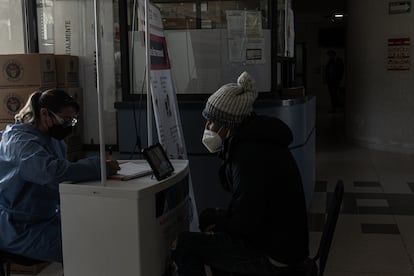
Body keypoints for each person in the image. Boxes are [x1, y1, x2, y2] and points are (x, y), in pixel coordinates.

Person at [171, 72, 310, 275]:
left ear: (228, 124)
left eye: (211, 122)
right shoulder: (257, 141)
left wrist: (217, 219)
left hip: (275, 258)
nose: (207, 128)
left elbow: (244, 224)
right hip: (284, 246)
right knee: (214, 233)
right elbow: (249, 210)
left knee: (184, 244)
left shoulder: (249, 156)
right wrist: (219, 219)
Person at [0, 89, 120, 263]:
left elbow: (64, 175)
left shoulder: (52, 139)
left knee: (99, 230)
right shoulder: (19, 141)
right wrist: (99, 167)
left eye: (73, 120)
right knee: (88, 247)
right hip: (19, 225)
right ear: (44, 114)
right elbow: (51, 173)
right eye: (66, 120)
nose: (70, 126)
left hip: (45, 215)